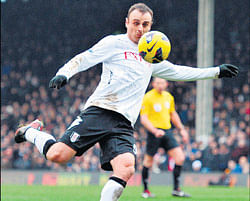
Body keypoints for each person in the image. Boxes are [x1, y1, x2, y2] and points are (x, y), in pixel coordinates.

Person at [14, 3, 238, 201]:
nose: (141, 29)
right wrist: (64, 73)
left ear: (151, 26)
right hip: (100, 111)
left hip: (123, 124)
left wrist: (216, 72)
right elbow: (85, 57)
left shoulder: (151, 56)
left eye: (146, 24)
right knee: (58, 156)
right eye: (136, 23)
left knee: (126, 168)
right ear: (127, 23)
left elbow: (179, 71)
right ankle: (30, 131)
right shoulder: (114, 43)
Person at [140, 78, 190, 198]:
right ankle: (145, 191)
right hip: (154, 132)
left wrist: (182, 130)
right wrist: (154, 131)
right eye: (157, 83)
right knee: (148, 161)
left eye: (162, 83)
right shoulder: (147, 97)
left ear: (166, 84)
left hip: (167, 131)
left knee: (180, 158)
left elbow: (173, 114)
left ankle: (176, 189)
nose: (160, 85)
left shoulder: (168, 96)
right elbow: (144, 119)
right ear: (153, 84)